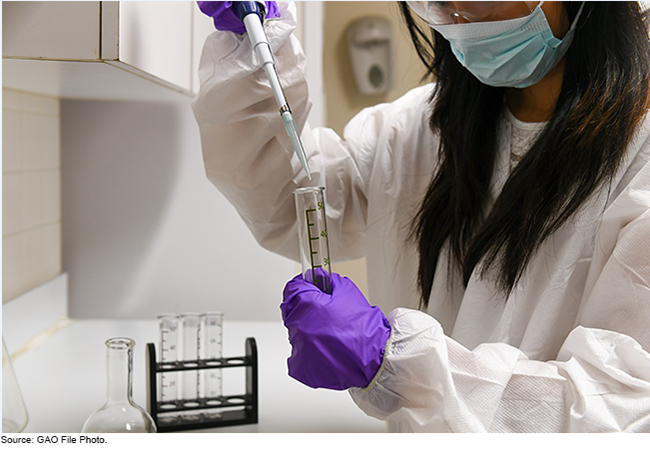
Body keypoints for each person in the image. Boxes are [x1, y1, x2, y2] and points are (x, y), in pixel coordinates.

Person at [192, 1, 650, 432]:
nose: (456, 15)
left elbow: (617, 407)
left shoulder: (640, 158)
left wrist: (398, 363)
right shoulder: (421, 126)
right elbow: (286, 201)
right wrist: (251, 47)